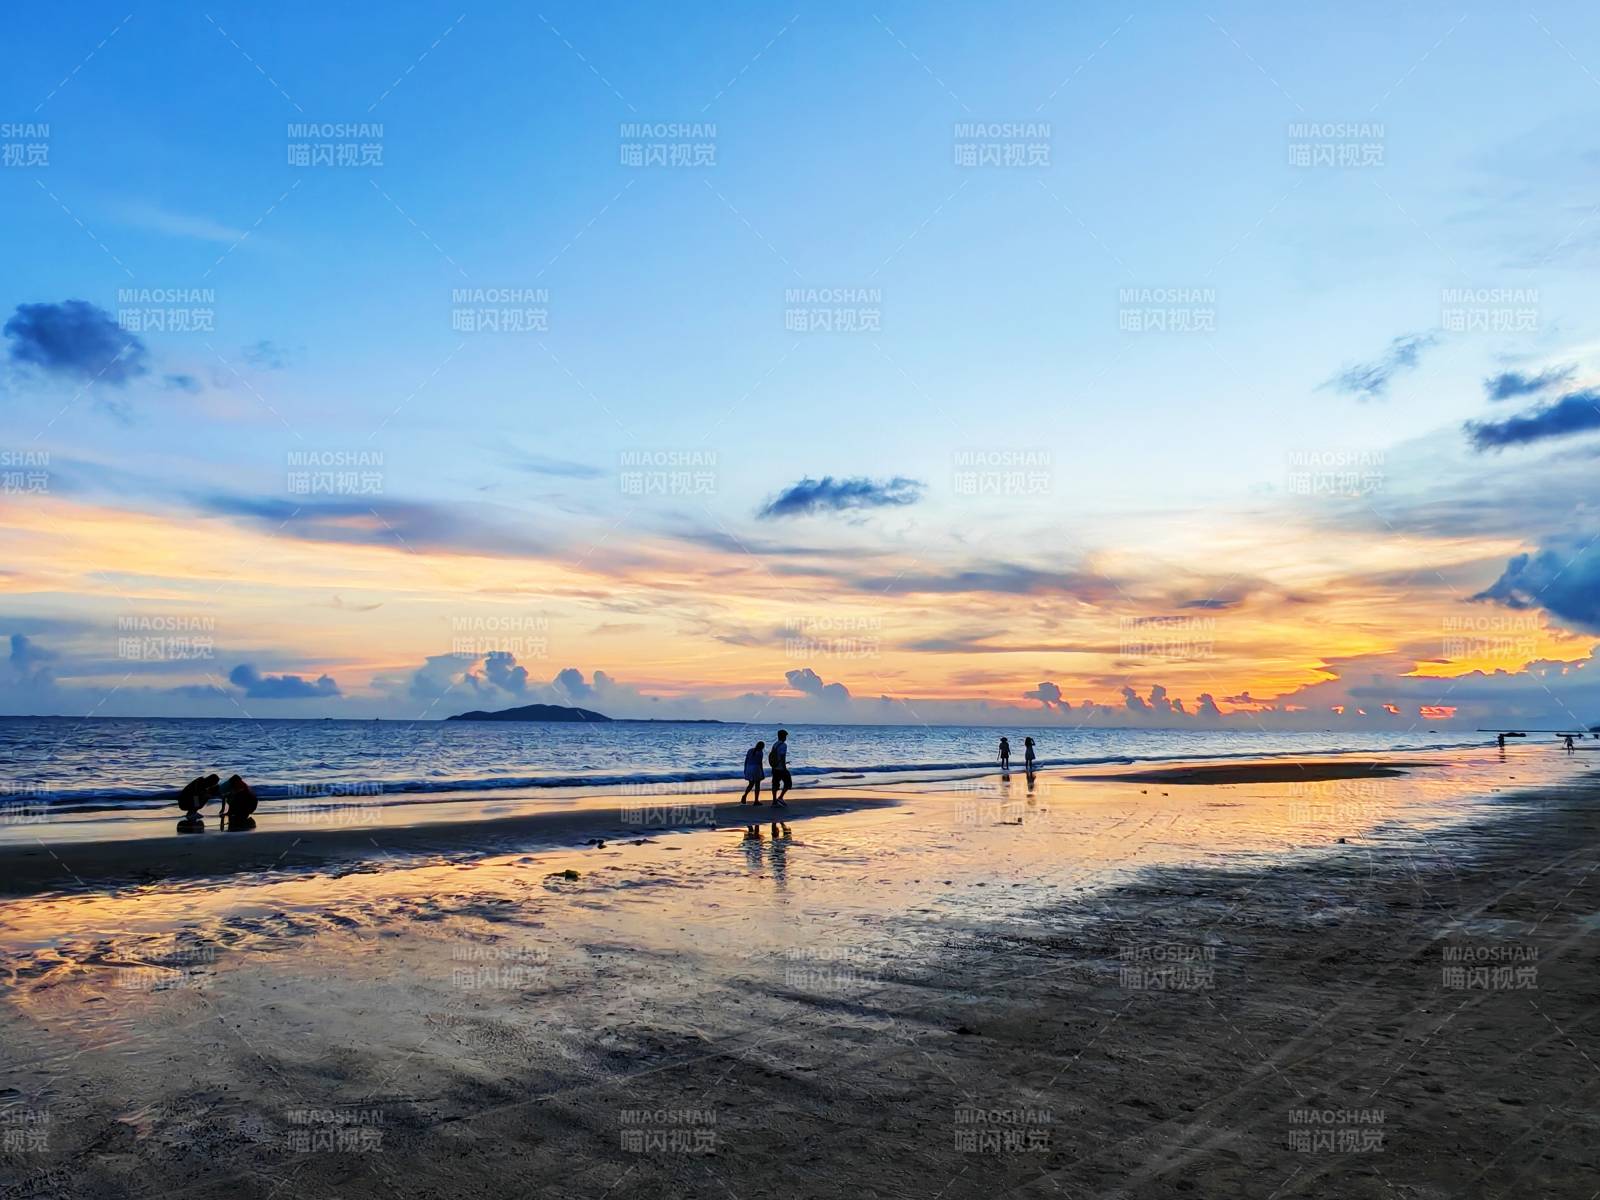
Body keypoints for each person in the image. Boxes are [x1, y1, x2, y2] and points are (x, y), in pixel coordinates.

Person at [768, 729, 792, 808]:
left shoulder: (775, 744)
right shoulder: (783, 745)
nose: (786, 738)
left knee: (775, 784)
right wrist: (784, 767)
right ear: (783, 736)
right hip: (781, 768)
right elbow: (782, 757)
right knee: (788, 783)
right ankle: (780, 797)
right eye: (785, 736)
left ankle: (774, 801)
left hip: (774, 767)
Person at [741, 740, 766, 805]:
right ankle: (756, 800)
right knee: (757, 785)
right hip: (756, 769)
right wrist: (762, 772)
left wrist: (745, 769)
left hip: (749, 768)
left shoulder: (750, 750)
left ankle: (745, 795)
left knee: (751, 784)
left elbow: (746, 760)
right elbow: (760, 763)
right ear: (762, 747)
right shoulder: (760, 752)